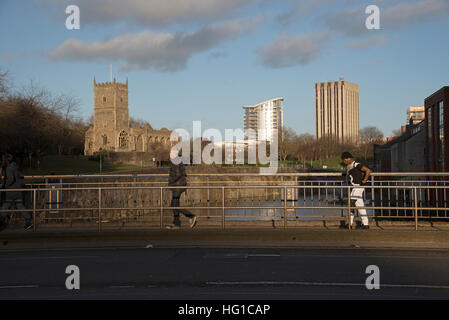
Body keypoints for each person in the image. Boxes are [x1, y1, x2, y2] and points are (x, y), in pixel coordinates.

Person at [0, 154, 33, 230]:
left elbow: (10, 179)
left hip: (11, 191)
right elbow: (21, 176)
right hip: (18, 190)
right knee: (20, 206)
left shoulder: (8, 168)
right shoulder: (15, 167)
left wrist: (4, 186)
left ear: (6, 160)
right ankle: (29, 221)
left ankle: (1, 221)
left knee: (5, 206)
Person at [166, 149, 197, 229]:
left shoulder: (175, 161)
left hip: (177, 185)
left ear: (174, 154)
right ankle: (177, 222)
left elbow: (178, 174)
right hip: (179, 185)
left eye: (171, 153)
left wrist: (170, 182)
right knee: (174, 204)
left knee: (174, 205)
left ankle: (190, 216)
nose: (170, 155)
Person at [341, 152, 371, 230]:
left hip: (358, 186)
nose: (344, 162)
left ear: (348, 158)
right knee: (360, 206)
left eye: (344, 160)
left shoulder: (356, 164)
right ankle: (366, 224)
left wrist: (364, 180)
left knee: (351, 204)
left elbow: (368, 170)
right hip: (355, 187)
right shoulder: (349, 166)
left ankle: (349, 224)